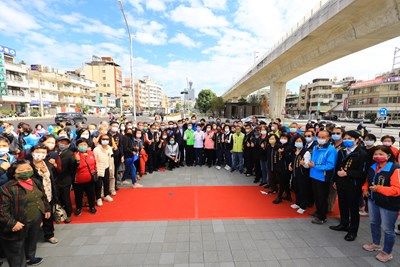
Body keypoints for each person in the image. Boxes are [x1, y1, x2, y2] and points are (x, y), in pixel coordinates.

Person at [0, 160, 50, 266]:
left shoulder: (35, 181)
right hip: (17, 222)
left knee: (32, 240)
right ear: (14, 173)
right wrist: (12, 223)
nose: (26, 172)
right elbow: (2, 210)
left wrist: (46, 208)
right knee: (16, 248)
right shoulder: (7, 188)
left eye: (28, 169)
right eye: (21, 170)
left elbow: (43, 196)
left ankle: (30, 257)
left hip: (36, 217)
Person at [362, 145, 400, 263]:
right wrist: (365, 189)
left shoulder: (395, 169)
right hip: (373, 201)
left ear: (388, 156)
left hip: (389, 204)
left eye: (381, 154)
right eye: (376, 154)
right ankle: (376, 243)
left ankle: (387, 252)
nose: (378, 156)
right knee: (374, 223)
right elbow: (368, 181)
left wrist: (379, 189)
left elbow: (397, 189)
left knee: (388, 229)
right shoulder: (373, 166)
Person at [330, 130, 366, 241]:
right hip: (341, 183)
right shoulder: (341, 152)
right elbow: (337, 167)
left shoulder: (362, 154)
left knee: (353, 208)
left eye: (349, 139)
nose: (346, 141)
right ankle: (343, 224)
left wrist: (348, 173)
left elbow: (363, 172)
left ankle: (352, 231)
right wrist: (335, 180)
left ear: (356, 140)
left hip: (353, 185)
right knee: (342, 204)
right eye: (345, 138)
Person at [308, 130, 338, 224]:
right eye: (319, 137)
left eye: (323, 137)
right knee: (316, 196)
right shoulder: (316, 147)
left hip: (323, 177)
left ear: (328, 138)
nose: (320, 139)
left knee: (322, 197)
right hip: (313, 175)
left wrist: (315, 166)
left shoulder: (331, 150)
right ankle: (318, 211)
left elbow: (330, 165)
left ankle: (322, 217)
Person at [73, 139, 97, 216]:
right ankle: (78, 208)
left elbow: (95, 163)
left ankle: (92, 207)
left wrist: (95, 171)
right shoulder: (75, 155)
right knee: (78, 195)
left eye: (84, 144)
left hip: (90, 178)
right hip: (79, 179)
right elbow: (75, 168)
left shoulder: (91, 153)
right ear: (77, 146)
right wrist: (77, 161)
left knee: (91, 194)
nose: (83, 146)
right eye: (81, 145)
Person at [55, 136, 75, 223]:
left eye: (65, 143)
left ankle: (68, 214)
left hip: (65, 179)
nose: (62, 144)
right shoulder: (54, 153)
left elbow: (73, 169)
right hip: (55, 180)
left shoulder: (70, 155)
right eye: (61, 142)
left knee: (65, 197)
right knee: (57, 197)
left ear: (69, 145)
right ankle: (59, 213)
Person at [290, 136, 311, 214]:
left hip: (303, 175)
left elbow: (307, 165)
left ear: (303, 143)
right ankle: (298, 203)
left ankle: (303, 206)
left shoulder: (306, 152)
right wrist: (290, 165)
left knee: (303, 191)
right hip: (295, 174)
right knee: (296, 189)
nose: (298, 142)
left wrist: (304, 164)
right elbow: (293, 161)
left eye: (300, 141)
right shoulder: (295, 151)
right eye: (297, 141)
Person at [93, 134, 114, 207]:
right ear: (100, 140)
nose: (105, 140)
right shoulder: (96, 149)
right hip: (99, 168)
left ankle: (106, 195)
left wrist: (110, 167)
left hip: (106, 167)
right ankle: (98, 198)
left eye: (107, 139)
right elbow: (94, 160)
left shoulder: (109, 148)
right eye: (103, 139)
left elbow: (110, 157)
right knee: (98, 184)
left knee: (106, 182)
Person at [272, 133, 293, 204]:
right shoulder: (279, 145)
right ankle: (288, 195)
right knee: (285, 182)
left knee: (282, 183)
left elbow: (289, 157)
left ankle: (279, 196)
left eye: (285, 138)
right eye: (282, 137)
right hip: (279, 167)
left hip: (286, 168)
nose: (283, 139)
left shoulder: (290, 147)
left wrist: (283, 152)